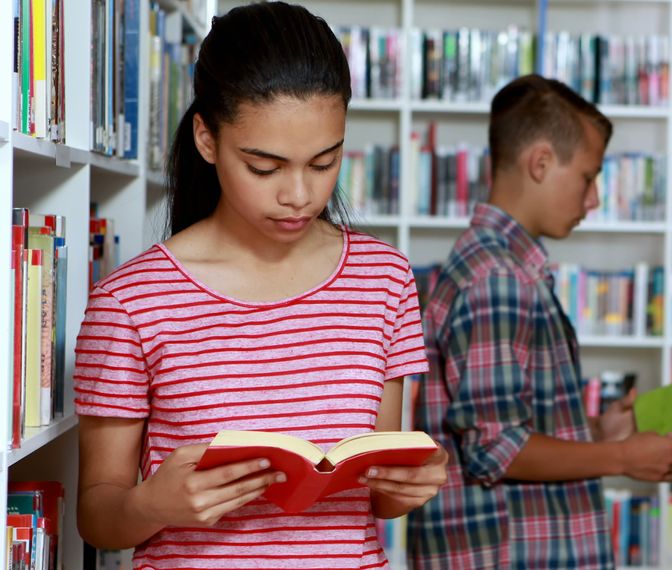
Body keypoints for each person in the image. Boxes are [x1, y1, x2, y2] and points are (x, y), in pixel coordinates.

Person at [74, 3, 446, 568]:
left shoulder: (384, 279)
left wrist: (405, 487)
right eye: (265, 167)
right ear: (207, 139)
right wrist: (153, 504)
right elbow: (98, 517)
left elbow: (377, 492)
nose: (298, 194)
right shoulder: (133, 299)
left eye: (324, 163)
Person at [407, 74, 672, 569]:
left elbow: (502, 422)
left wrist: (595, 429)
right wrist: (625, 457)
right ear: (541, 163)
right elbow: (495, 449)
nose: (594, 200)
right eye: (588, 177)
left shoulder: (504, 269)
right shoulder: (496, 278)